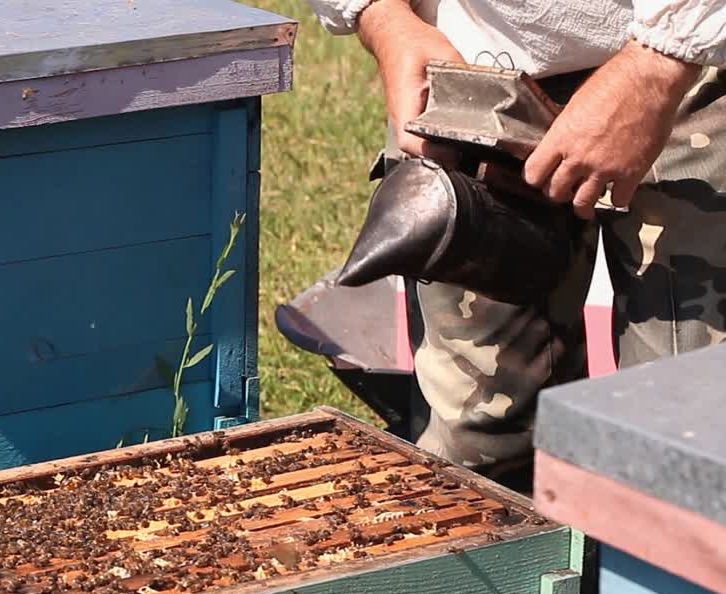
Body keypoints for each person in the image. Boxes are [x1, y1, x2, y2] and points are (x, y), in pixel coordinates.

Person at [306, 0, 726, 483]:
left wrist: (660, 63)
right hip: (474, 71)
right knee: (474, 441)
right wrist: (385, 18)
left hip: (699, 65)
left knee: (689, 440)